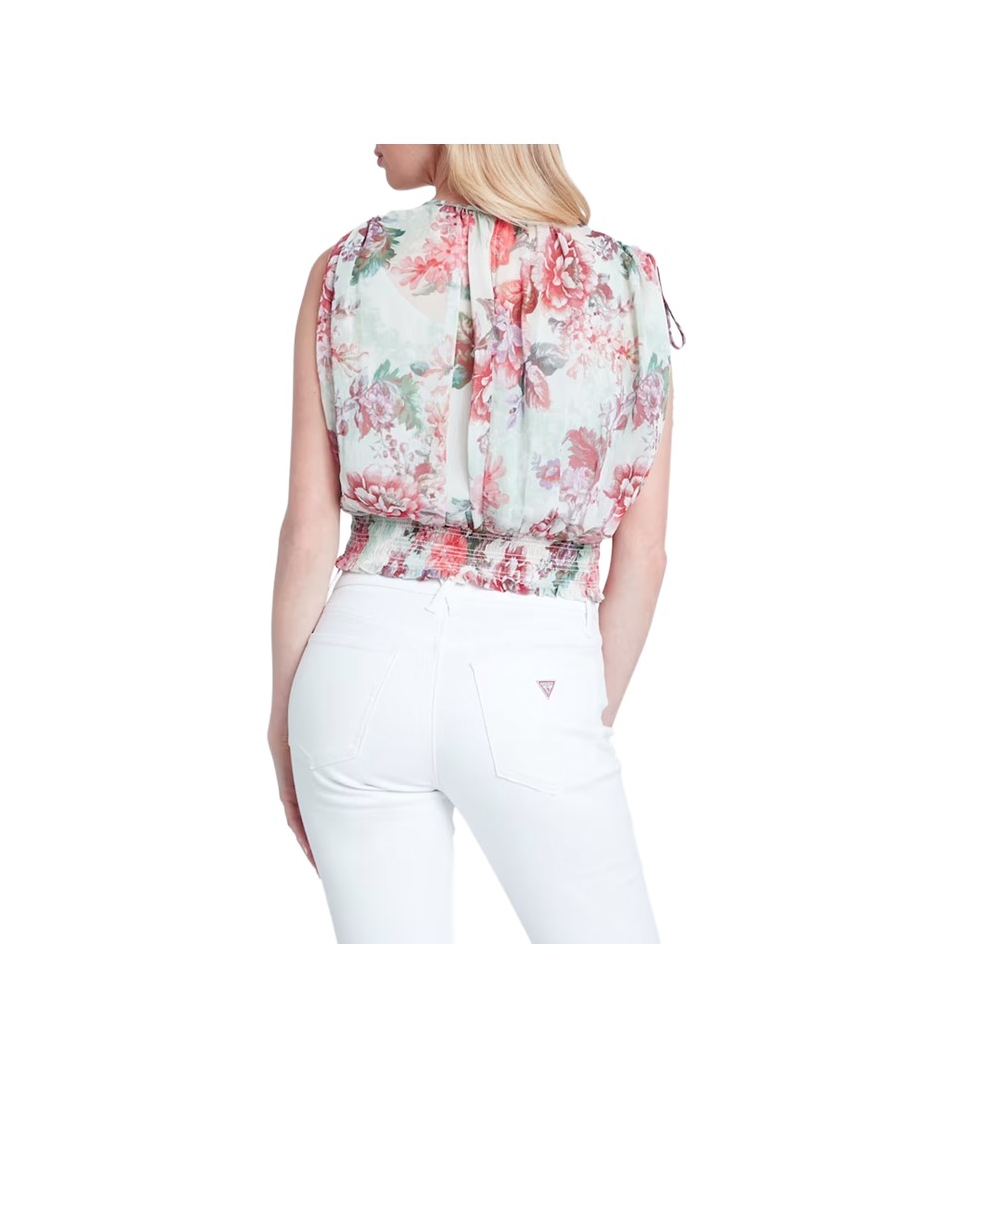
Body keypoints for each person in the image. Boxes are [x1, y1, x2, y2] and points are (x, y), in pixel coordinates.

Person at [267, 144, 684, 944]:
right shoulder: (626, 282)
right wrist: (575, 715)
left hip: (356, 668)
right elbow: (645, 557)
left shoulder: (346, 268)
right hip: (535, 666)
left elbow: (308, 530)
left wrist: (285, 722)